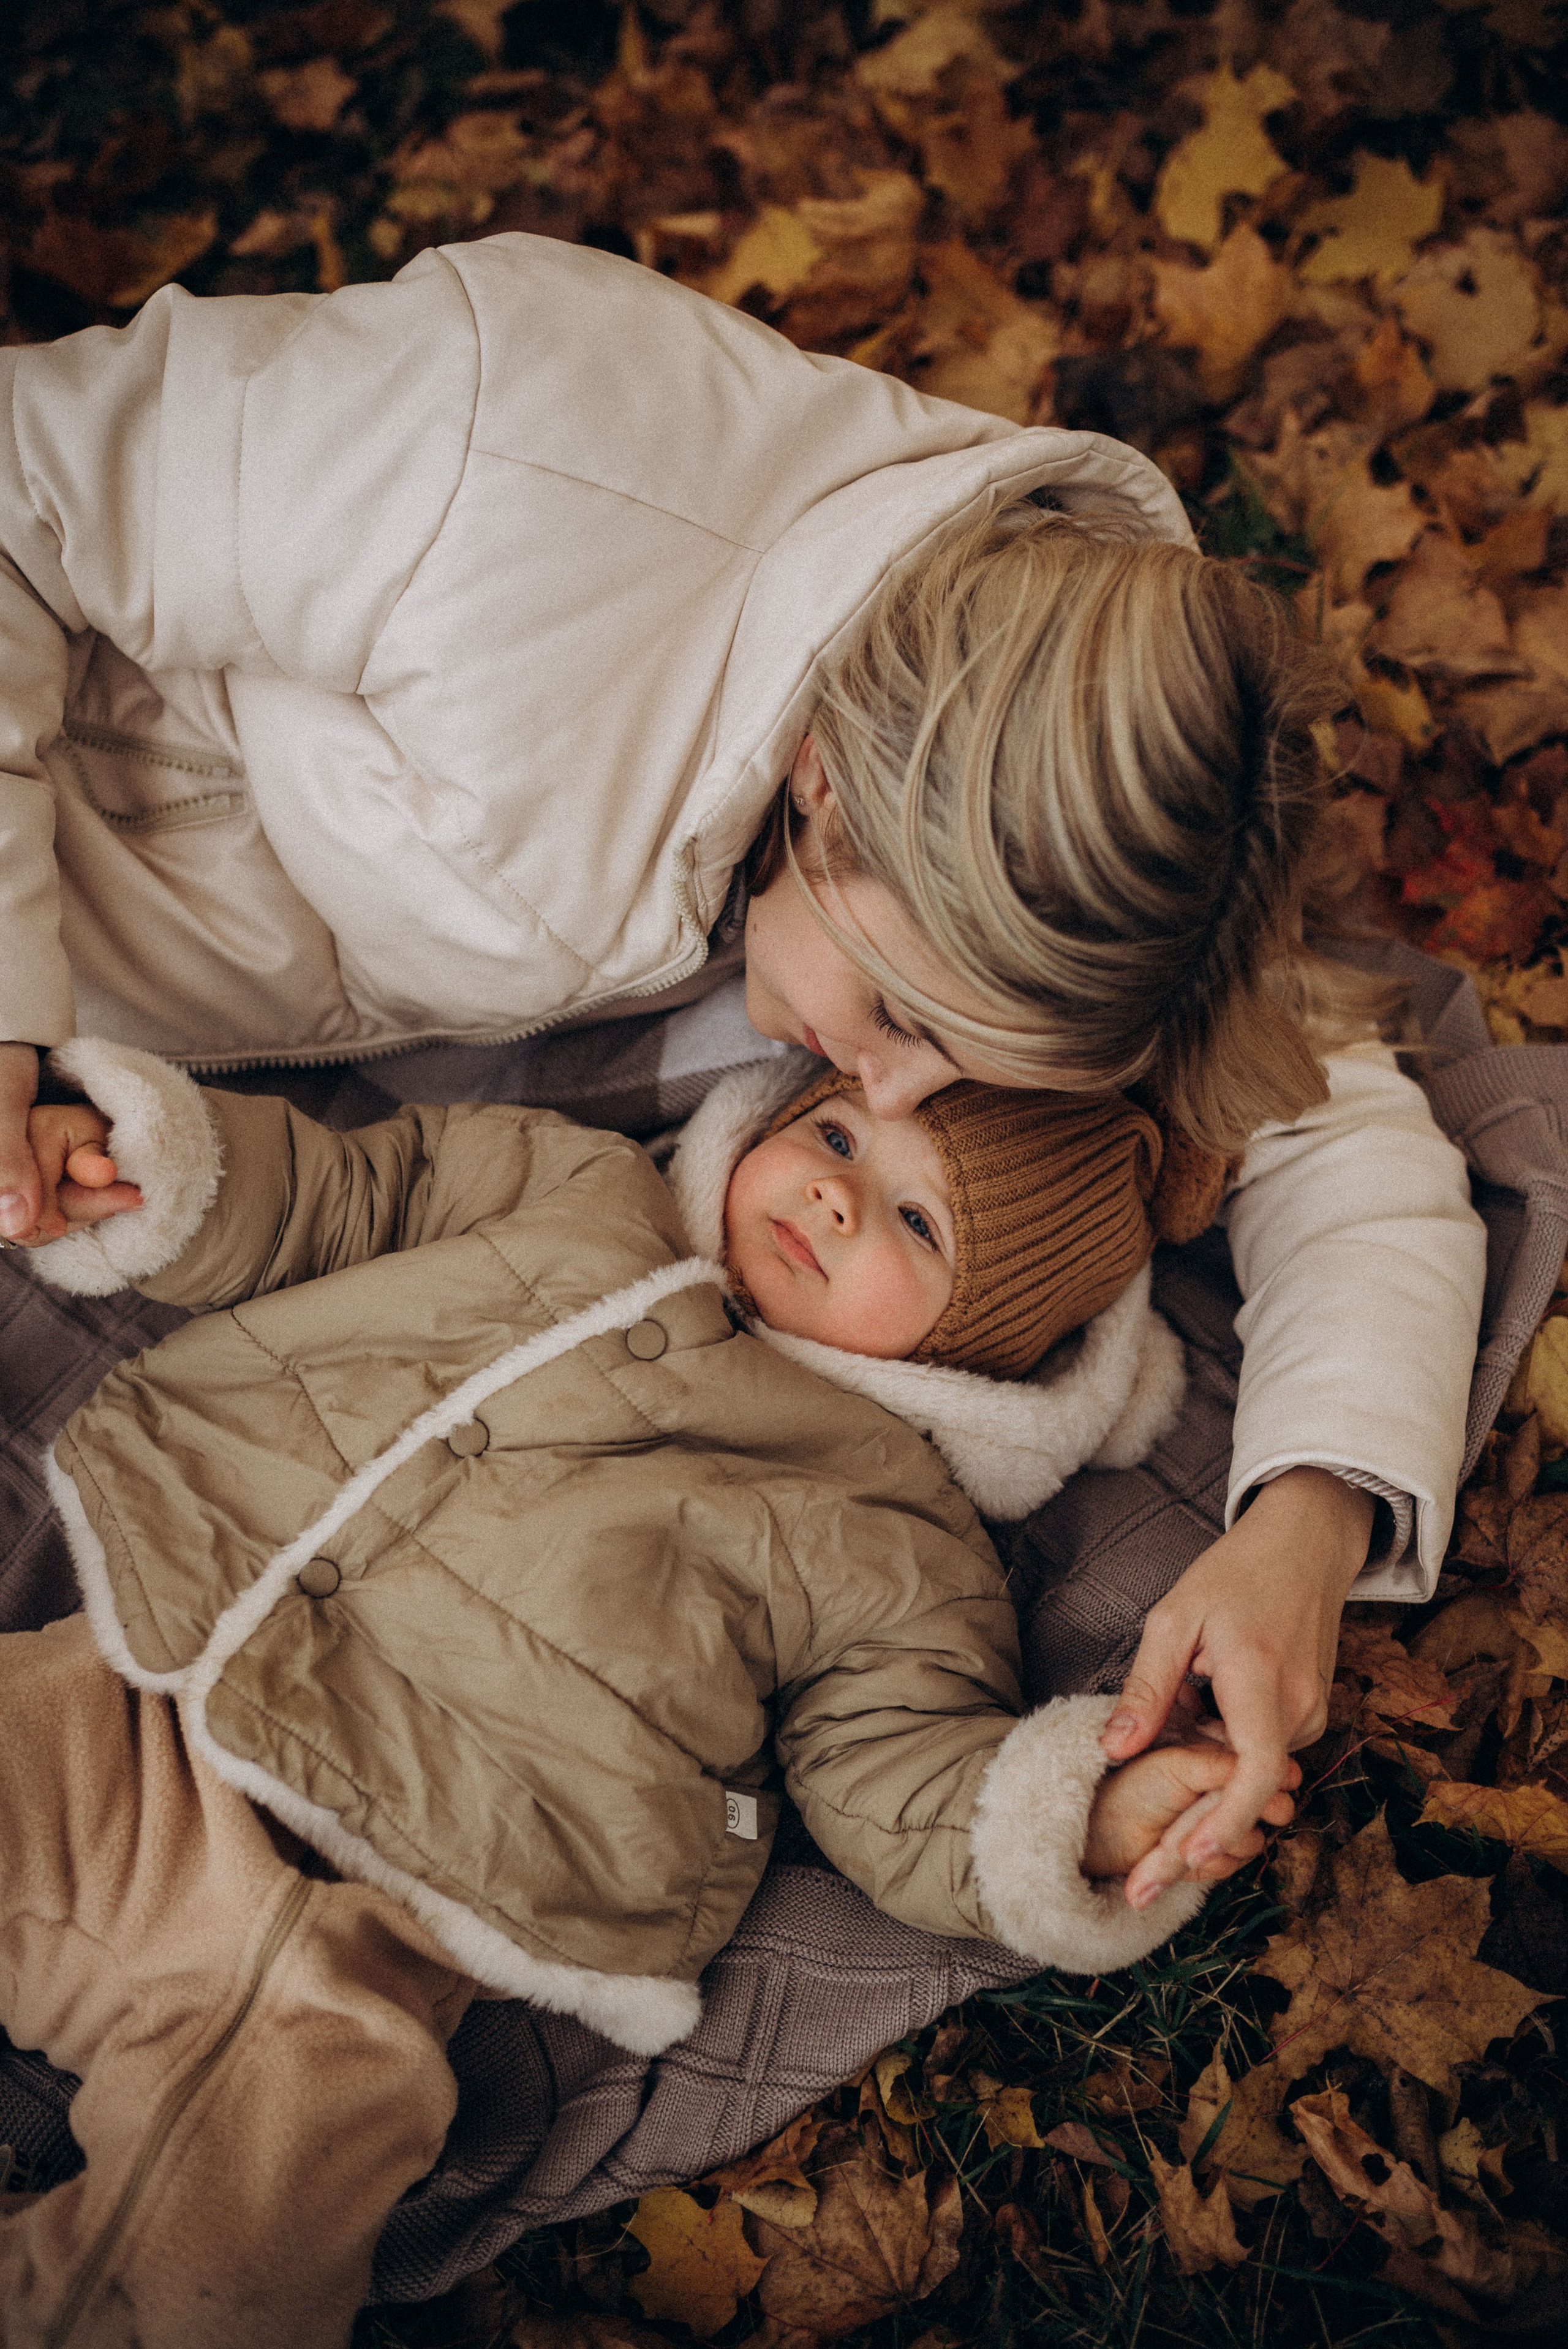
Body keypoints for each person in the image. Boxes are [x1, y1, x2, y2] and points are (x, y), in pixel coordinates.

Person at [0, 232, 1483, 1902]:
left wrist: (1307, 1518)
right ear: (826, 785)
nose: (901, 1105)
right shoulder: (501, 443)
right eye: (908, 1023)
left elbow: (1338, 1127)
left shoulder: (1087, 849)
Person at [10, 1033, 1289, 2343]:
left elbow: (899, 1762)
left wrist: (1077, 1815)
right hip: (149, 1684)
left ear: (979, 1348)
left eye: (917, 1220)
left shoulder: (900, 1536)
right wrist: (145, 1172)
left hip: (391, 1918)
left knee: (220, 2250)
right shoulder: (571, 1186)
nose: (835, 1196)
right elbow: (345, 1196)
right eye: (838, 1136)